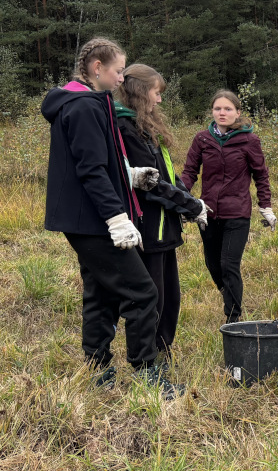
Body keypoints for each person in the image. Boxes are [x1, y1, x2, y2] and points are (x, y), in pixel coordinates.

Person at [41, 37, 183, 399]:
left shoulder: (89, 103)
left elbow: (102, 163)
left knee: (100, 293)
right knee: (141, 292)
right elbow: (90, 171)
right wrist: (117, 218)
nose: (122, 78)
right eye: (119, 71)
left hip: (84, 219)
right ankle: (145, 372)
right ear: (97, 68)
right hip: (93, 220)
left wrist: (131, 177)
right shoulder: (84, 107)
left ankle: (98, 369)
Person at [115, 64, 209, 363]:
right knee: (151, 298)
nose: (159, 100)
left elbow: (168, 174)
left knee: (170, 298)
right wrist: (190, 206)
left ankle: (163, 351)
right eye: (156, 93)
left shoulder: (146, 128)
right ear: (142, 93)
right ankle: (148, 360)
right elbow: (151, 184)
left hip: (165, 228)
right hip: (147, 227)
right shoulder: (125, 129)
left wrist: (191, 201)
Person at [181, 90, 274, 324]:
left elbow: (261, 175)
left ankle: (233, 319)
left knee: (228, 264)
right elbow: (190, 172)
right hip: (208, 212)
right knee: (213, 264)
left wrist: (266, 206)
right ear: (212, 112)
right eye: (218, 109)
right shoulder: (202, 139)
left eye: (228, 109)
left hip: (238, 213)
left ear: (238, 113)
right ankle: (229, 295)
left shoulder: (249, 140)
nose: (222, 113)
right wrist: (180, 199)